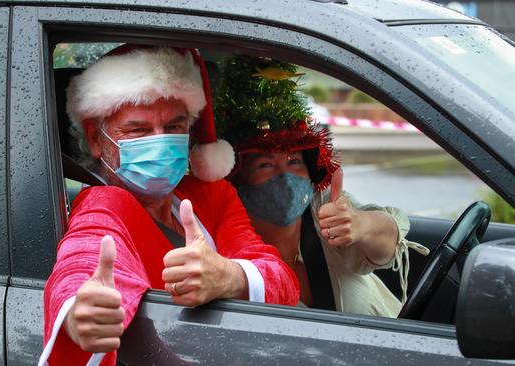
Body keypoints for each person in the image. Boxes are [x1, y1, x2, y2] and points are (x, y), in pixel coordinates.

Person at [40, 46, 299, 366]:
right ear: (97, 139)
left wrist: (229, 276)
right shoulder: (104, 202)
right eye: (138, 130)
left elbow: (283, 281)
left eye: (174, 128)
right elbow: (85, 254)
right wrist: (81, 308)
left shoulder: (213, 195)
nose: (161, 142)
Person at [213, 54, 429, 317]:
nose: (285, 176)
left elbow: (387, 244)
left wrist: (360, 224)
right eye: (265, 165)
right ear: (237, 180)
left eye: (294, 161)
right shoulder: (229, 255)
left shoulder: (325, 209)